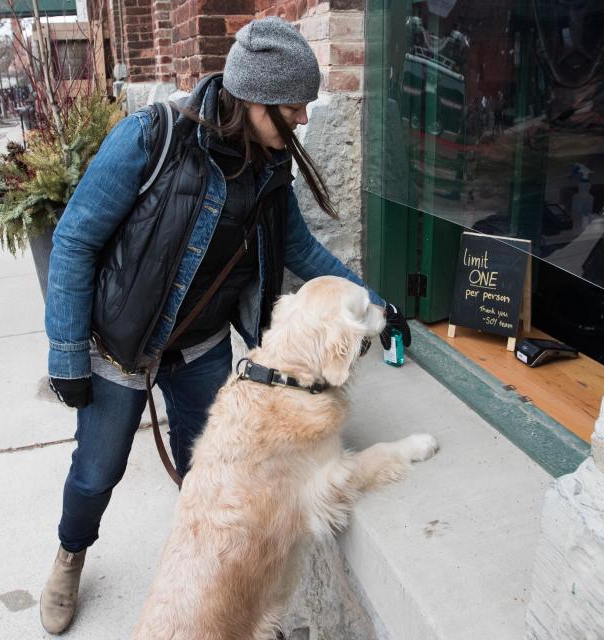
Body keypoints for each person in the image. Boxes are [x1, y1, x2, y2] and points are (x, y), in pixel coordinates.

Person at [38, 17, 410, 635]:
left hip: (201, 350)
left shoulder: (269, 171)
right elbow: (75, 241)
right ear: (252, 97)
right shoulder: (151, 136)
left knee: (209, 482)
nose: (304, 120)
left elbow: (304, 254)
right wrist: (67, 355)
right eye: (293, 107)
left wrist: (376, 302)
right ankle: (71, 554)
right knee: (97, 470)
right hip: (117, 350)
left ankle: (208, 597)